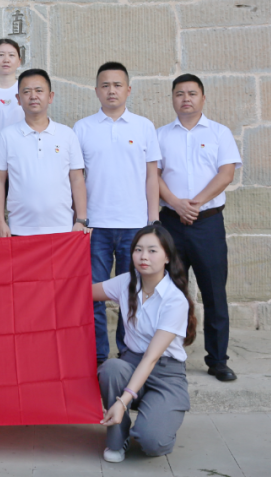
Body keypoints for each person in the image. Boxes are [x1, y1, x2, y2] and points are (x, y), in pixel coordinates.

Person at [74, 62, 161, 365]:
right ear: (96, 90)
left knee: (133, 294)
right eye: (105, 85)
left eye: (117, 85)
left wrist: (153, 222)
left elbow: (152, 177)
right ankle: (98, 357)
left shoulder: (144, 126)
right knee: (92, 295)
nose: (111, 90)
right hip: (95, 227)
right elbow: (76, 177)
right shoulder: (82, 128)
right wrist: (80, 219)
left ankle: (128, 354)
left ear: (128, 90)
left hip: (135, 226)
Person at [156, 74, 241, 382]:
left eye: (192, 93)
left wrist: (195, 203)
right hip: (171, 223)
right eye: (180, 94)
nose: (186, 99)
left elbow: (226, 173)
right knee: (170, 292)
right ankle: (168, 356)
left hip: (207, 224)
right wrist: (176, 204)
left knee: (214, 292)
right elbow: (154, 175)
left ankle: (217, 360)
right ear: (173, 99)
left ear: (203, 98)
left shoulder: (219, 133)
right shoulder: (161, 135)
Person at [94, 225, 196, 463]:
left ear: (167, 257)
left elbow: (151, 358)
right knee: (111, 368)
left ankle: (157, 415)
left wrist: (123, 401)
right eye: (138, 250)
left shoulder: (175, 300)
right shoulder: (126, 282)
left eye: (152, 250)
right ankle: (117, 438)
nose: (143, 256)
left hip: (165, 373)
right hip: (131, 363)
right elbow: (82, 293)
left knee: (152, 442)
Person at [0, 69, 88, 238]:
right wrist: (0, 222)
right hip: (20, 228)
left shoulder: (67, 134)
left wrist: (81, 219)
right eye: (26, 92)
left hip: (62, 228)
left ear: (50, 97)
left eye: (39, 90)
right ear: (18, 99)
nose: (33, 96)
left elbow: (77, 178)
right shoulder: (6, 136)